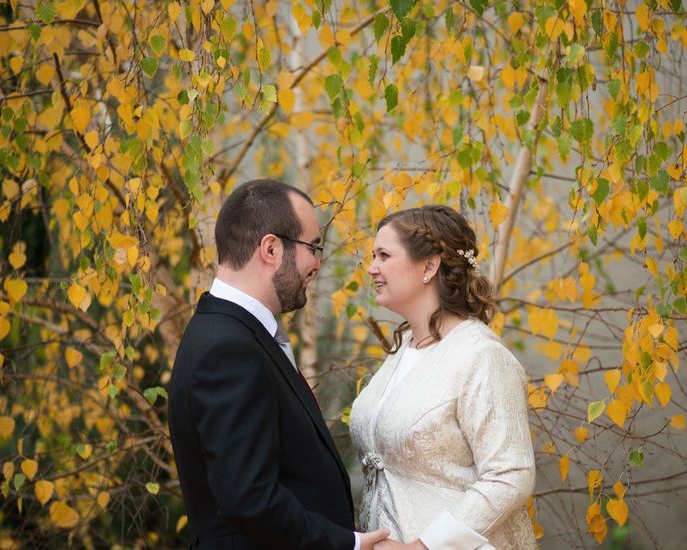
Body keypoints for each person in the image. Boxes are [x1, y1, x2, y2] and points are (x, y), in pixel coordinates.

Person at [168, 179, 388, 549]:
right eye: (312, 247)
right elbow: (250, 499)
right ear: (270, 248)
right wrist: (345, 544)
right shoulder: (227, 350)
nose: (317, 263)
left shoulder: (227, 331)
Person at [350, 205, 537, 550]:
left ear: (429, 266)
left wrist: (423, 547)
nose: (372, 269)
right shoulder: (403, 350)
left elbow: (512, 474)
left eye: (384, 256)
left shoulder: (481, 356)